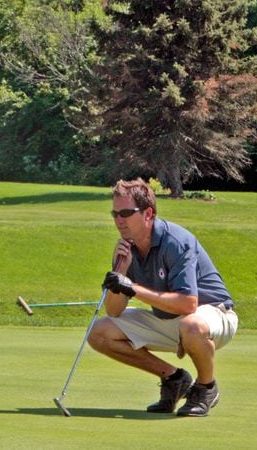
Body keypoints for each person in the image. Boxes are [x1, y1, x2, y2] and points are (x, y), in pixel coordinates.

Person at [88, 178, 238, 417]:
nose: (119, 220)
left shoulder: (176, 241)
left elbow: (189, 304)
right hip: (170, 321)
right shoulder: (126, 248)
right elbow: (114, 312)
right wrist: (121, 272)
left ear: (148, 213)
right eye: (114, 213)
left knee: (191, 325)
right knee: (98, 332)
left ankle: (206, 387)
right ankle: (174, 378)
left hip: (214, 315)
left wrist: (132, 288)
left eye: (126, 213)